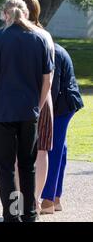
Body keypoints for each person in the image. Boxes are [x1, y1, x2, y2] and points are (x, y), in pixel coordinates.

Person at [0, 0, 54, 222]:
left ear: (4, 14)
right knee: (27, 165)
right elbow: (47, 80)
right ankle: (29, 213)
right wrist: (37, 108)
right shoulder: (41, 38)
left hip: (2, 112)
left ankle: (12, 215)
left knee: (6, 167)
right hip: (29, 112)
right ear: (27, 14)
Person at [18, 0, 55, 214]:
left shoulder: (21, 35)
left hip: (28, 99)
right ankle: (36, 200)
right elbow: (48, 77)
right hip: (43, 97)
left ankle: (23, 201)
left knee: (20, 153)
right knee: (41, 151)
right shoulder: (46, 35)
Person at [40, 43, 84, 214]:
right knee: (60, 148)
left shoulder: (53, 52)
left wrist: (42, 110)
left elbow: (53, 86)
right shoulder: (54, 49)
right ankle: (56, 198)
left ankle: (49, 200)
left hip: (62, 105)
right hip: (65, 102)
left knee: (53, 148)